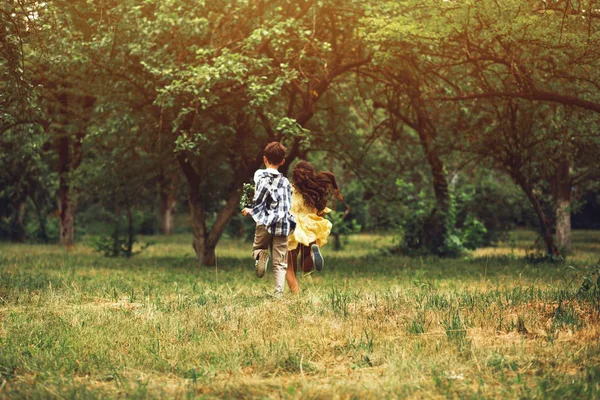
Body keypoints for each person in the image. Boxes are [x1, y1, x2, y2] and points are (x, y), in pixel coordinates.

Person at [242, 142, 296, 297]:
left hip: (265, 223)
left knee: (258, 247)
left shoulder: (260, 176)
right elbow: (286, 204)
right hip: (282, 224)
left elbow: (259, 201)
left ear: (264, 159)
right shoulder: (286, 182)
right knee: (280, 262)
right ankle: (278, 294)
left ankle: (260, 256)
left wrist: (250, 210)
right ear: (283, 162)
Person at [286, 160, 342, 294]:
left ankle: (297, 295)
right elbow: (321, 212)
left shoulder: (287, 190)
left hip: (292, 228)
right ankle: (312, 253)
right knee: (306, 267)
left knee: (289, 268)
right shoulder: (314, 192)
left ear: (294, 175)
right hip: (310, 226)